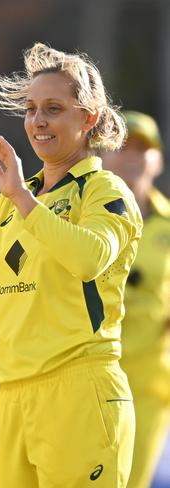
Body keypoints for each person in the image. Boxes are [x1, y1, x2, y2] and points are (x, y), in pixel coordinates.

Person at [0, 42, 143, 487]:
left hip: (79, 389)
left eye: (53, 108)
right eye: (32, 109)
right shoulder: (13, 201)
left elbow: (90, 258)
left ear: (88, 118)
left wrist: (21, 197)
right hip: (12, 395)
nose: (38, 121)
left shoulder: (104, 190)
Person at [102, 111, 170, 488]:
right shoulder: (83, 215)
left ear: (158, 160)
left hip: (147, 381)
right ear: (105, 154)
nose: (132, 155)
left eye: (143, 148)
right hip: (88, 374)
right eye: (123, 146)